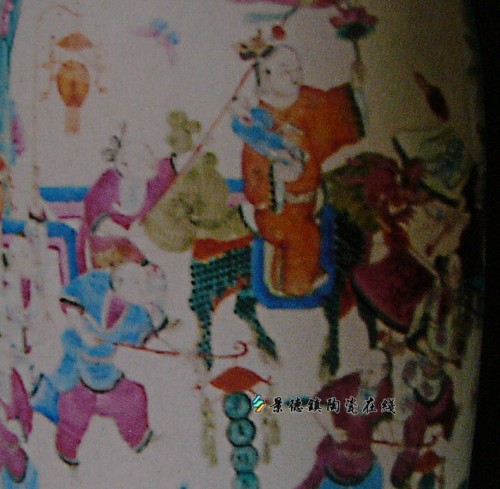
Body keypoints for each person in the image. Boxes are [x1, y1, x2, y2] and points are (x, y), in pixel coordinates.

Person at [239, 44, 366, 296]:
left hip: (309, 199)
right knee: (304, 236)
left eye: (297, 68)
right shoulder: (258, 122)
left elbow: (334, 112)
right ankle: (296, 284)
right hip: (279, 211)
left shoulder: (309, 100)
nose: (294, 75)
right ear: (266, 75)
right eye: (285, 70)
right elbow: (254, 177)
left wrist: (356, 89)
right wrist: (277, 175)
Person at [32, 263, 168, 466]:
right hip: (78, 360)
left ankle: (139, 439)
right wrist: (82, 331)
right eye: (136, 283)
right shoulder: (96, 283)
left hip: (106, 368)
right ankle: (66, 453)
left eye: (143, 284)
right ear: (119, 281)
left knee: (132, 398)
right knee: (73, 411)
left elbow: (143, 336)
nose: (142, 289)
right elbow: (71, 301)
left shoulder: (137, 313)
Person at [295, 349, 392, 489]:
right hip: (335, 457)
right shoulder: (345, 385)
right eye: (362, 371)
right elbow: (318, 405)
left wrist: (393, 441)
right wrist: (333, 430)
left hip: (363, 461)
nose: (364, 376)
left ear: (384, 372)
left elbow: (382, 419)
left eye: (371, 372)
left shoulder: (385, 388)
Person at [76, 137, 176, 273]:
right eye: (141, 158)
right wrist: (128, 234)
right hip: (105, 251)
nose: (150, 160)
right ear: (124, 165)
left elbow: (175, 164)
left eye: (150, 154)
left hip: (136, 251)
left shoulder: (153, 182)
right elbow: (96, 217)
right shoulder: (108, 182)